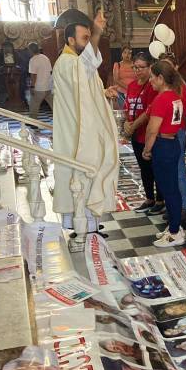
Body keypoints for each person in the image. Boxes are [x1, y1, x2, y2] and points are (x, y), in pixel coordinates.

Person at [53, 12, 119, 237]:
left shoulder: (74, 62)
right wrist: (97, 32)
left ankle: (89, 223)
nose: (88, 41)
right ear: (71, 40)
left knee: (87, 173)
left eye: (89, 37)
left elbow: (82, 89)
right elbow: (84, 69)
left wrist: (102, 92)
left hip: (79, 128)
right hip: (75, 134)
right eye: (85, 38)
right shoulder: (67, 62)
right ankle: (84, 225)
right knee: (82, 174)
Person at [143, 61, 186, 248]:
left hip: (163, 144)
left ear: (161, 78)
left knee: (169, 190)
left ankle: (175, 232)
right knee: (171, 188)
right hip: (173, 142)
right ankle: (174, 226)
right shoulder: (175, 95)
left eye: (152, 77)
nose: (150, 80)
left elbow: (152, 129)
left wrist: (147, 149)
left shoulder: (162, 99)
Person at [121, 52, 163, 215]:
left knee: (155, 168)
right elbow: (127, 106)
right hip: (136, 134)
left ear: (150, 67)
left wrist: (134, 125)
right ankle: (149, 198)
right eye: (135, 67)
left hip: (149, 134)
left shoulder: (152, 86)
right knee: (144, 168)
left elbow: (149, 111)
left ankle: (160, 200)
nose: (137, 70)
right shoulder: (132, 85)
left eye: (141, 67)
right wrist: (127, 122)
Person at [160, 53, 186, 221]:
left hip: (175, 131)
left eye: (168, 65)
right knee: (169, 171)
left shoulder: (179, 86)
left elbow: (178, 113)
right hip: (166, 132)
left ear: (175, 67)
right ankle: (173, 204)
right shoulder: (167, 85)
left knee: (179, 170)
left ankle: (183, 207)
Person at [27, 42, 53, 118]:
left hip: (39, 88)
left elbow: (33, 75)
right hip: (48, 87)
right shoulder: (45, 58)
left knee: (33, 107)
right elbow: (50, 72)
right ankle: (61, 121)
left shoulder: (33, 60)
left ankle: (32, 122)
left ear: (30, 50)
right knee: (54, 107)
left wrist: (32, 87)